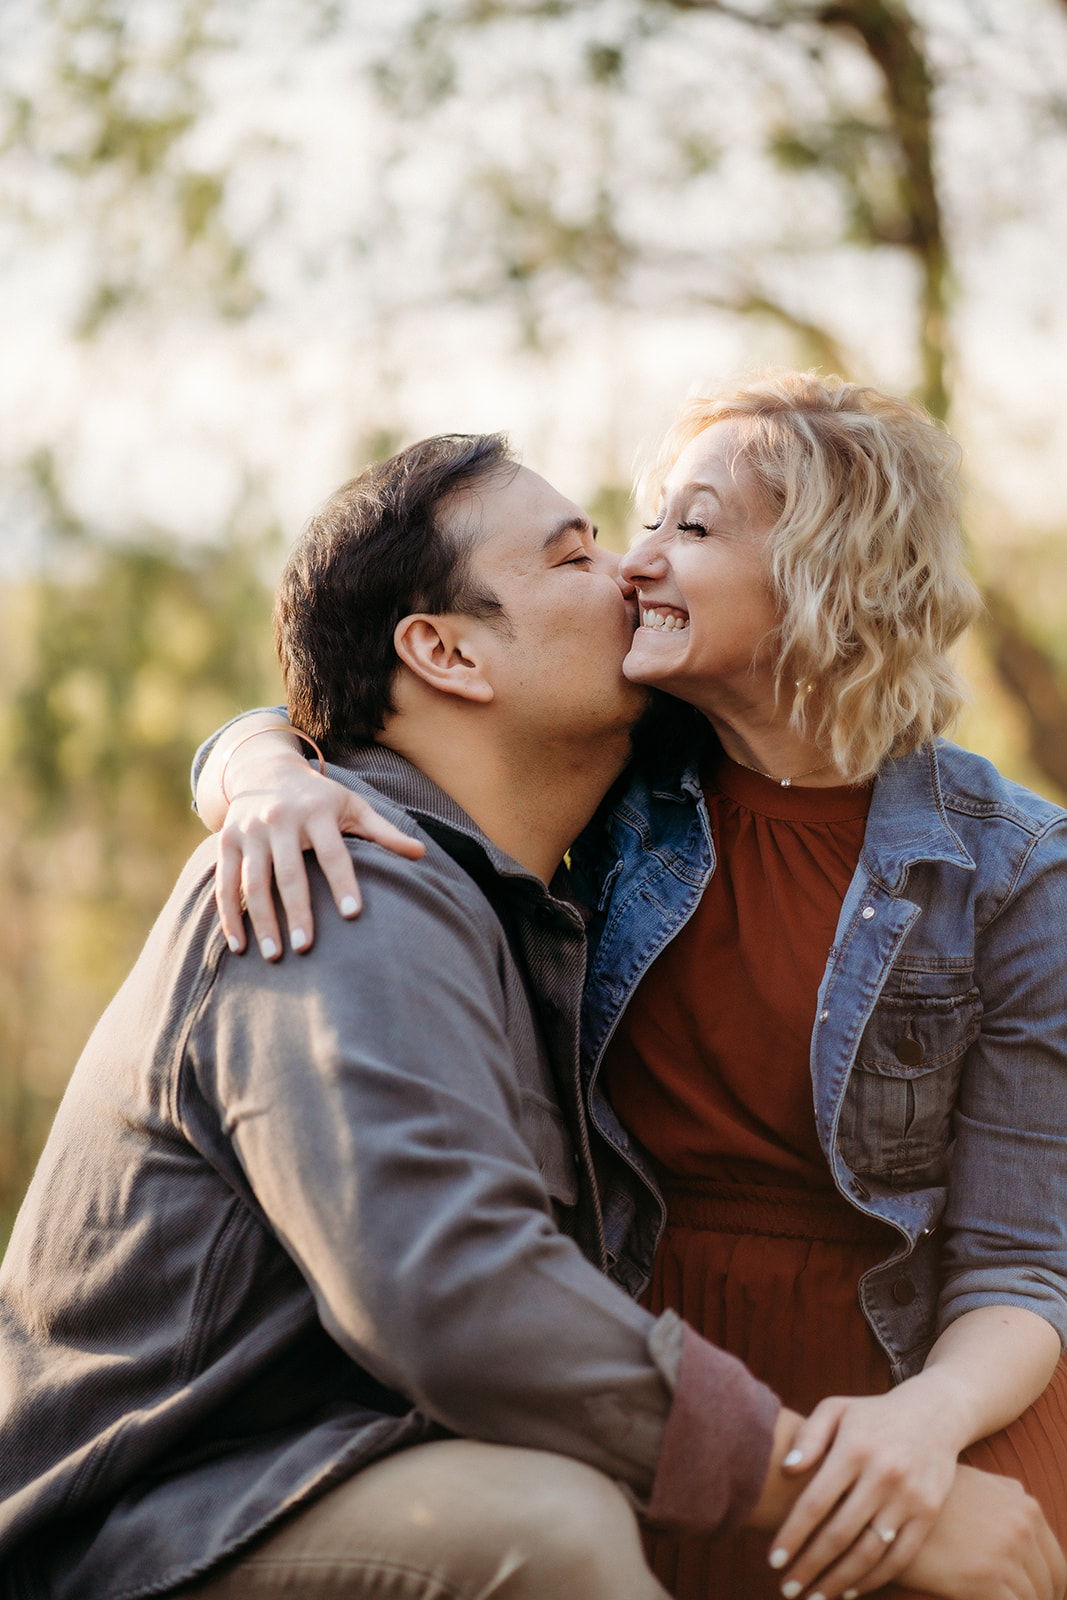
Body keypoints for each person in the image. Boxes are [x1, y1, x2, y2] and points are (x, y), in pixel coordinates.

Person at [6, 429, 1020, 1600]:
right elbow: (450, 1293)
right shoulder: (341, 882)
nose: (631, 571)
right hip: (154, 1525)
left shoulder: (527, 889)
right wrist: (837, 1489)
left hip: (319, 1478)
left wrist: (250, 753)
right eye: (574, 553)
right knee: (545, 1526)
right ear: (445, 652)